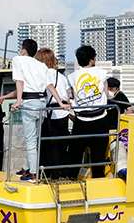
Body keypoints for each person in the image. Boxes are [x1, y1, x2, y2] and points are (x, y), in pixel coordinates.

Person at [2, 38, 51, 180]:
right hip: (41, 103)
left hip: (29, 102)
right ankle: (32, 168)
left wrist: (18, 101)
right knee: (35, 139)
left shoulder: (18, 60)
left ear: (23, 50)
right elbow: (47, 86)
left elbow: (19, 81)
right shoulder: (41, 65)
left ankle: (34, 173)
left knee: (30, 140)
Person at [66, 46, 112, 180]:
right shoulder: (102, 73)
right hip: (100, 119)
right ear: (92, 59)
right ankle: (99, 184)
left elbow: (72, 96)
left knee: (76, 154)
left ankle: (71, 180)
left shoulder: (72, 76)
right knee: (98, 156)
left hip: (81, 120)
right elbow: (107, 94)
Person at [38, 47, 76, 179]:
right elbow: (69, 93)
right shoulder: (61, 76)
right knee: (61, 144)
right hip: (63, 112)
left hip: (49, 112)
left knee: (47, 144)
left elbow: (46, 89)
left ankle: (48, 173)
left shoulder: (42, 74)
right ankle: (61, 172)